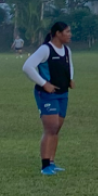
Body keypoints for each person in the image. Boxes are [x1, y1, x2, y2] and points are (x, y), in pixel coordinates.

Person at [23, 21, 76, 175]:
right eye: (67, 32)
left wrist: (71, 78)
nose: (69, 35)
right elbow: (27, 67)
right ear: (57, 34)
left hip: (63, 94)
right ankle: (45, 165)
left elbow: (70, 65)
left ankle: (52, 162)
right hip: (46, 94)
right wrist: (44, 83)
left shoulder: (66, 50)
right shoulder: (45, 49)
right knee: (51, 127)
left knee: (57, 128)